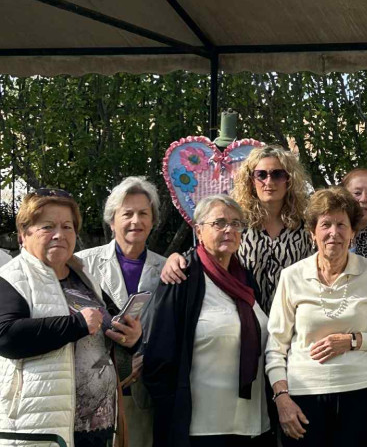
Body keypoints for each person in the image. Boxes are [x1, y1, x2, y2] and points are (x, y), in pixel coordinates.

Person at [0, 188, 141, 447]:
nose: (59, 234)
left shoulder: (85, 277)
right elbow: (6, 337)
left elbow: (109, 328)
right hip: (42, 432)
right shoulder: (11, 278)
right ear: (23, 234)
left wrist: (131, 338)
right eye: (47, 226)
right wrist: (76, 324)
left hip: (98, 428)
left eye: (67, 226)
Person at [266, 187, 367, 447]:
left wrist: (352, 341)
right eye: (325, 224)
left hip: (360, 394)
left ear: (352, 233)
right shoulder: (292, 276)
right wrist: (281, 398)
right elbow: (275, 346)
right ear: (312, 233)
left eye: (342, 225)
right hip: (303, 397)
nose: (334, 232)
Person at [143, 195, 271, 447]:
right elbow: (159, 355)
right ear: (198, 230)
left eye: (236, 224)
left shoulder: (245, 279)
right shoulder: (181, 278)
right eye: (219, 223)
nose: (229, 230)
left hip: (252, 422)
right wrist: (171, 412)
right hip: (201, 427)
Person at [161, 145, 314, 313]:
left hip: (293, 318)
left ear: (289, 179)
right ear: (251, 180)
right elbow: (208, 252)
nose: (269, 182)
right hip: (247, 316)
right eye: (261, 175)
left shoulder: (306, 226)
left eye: (277, 174)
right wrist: (175, 259)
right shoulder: (237, 223)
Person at [76, 176, 166, 447]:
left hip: (141, 392)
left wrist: (144, 349)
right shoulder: (82, 264)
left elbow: (173, 330)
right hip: (90, 391)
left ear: (153, 220)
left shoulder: (167, 270)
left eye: (143, 214)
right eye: (127, 214)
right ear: (112, 220)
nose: (135, 221)